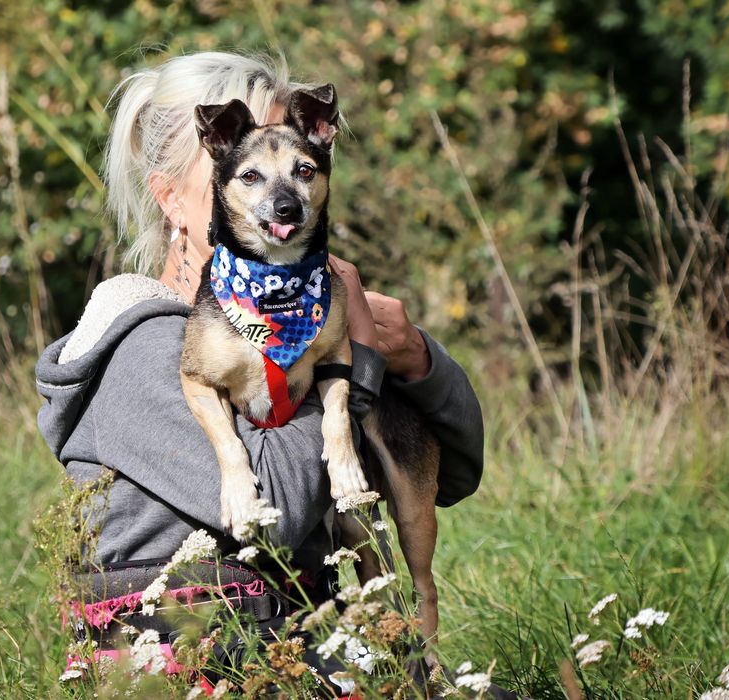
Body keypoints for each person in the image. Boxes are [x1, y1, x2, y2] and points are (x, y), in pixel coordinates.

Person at [35, 51, 489, 695]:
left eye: (300, 167)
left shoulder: (308, 320)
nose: (283, 197)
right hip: (194, 668)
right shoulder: (140, 346)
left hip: (299, 650)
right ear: (173, 198)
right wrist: (355, 370)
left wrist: (412, 356)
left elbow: (457, 477)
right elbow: (275, 510)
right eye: (248, 172)